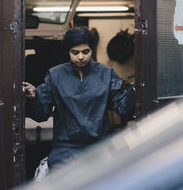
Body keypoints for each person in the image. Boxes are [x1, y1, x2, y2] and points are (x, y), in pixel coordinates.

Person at [23, 27, 135, 171]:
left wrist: (135, 89)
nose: (80, 57)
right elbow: (41, 113)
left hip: (99, 148)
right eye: (75, 52)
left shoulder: (106, 74)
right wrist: (33, 97)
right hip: (65, 151)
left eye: (85, 52)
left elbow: (124, 108)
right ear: (68, 52)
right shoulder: (56, 75)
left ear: (92, 50)